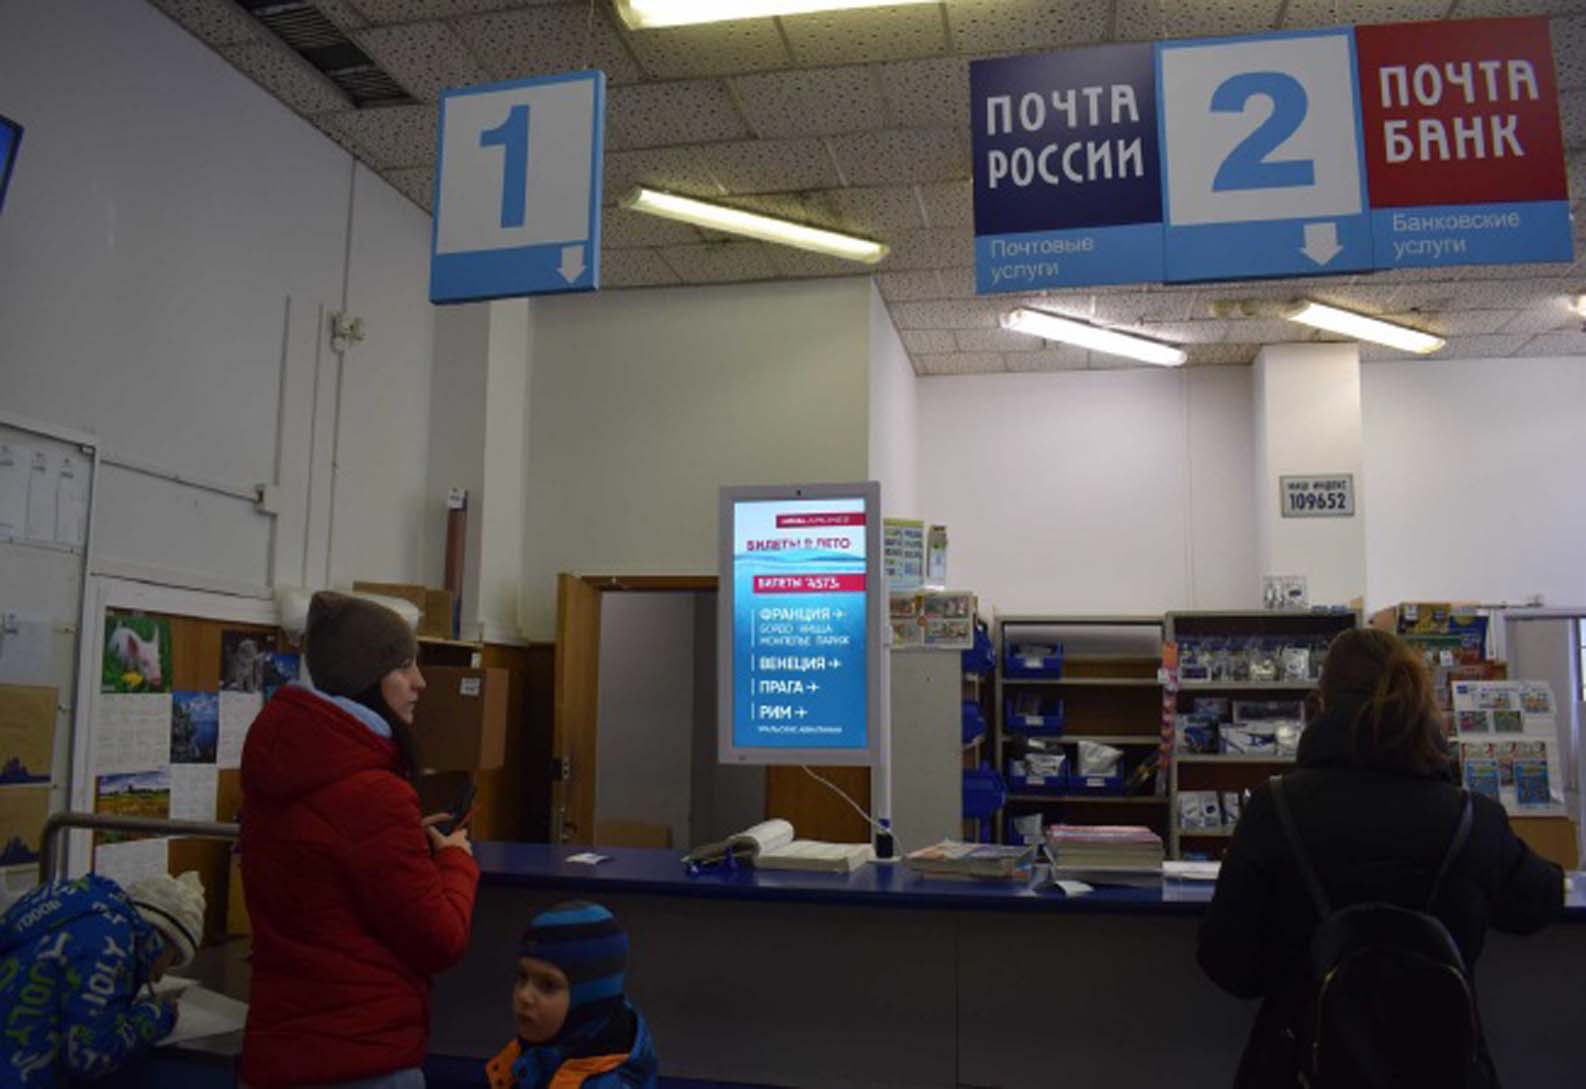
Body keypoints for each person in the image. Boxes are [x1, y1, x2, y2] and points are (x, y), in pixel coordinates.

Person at [1198, 627, 1563, 1088]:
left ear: (1319, 706)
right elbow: (1540, 902)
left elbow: (1228, 963)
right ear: (1420, 710)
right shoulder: (1472, 818)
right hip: (1440, 1067)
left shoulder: (1277, 808)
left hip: (1302, 1065)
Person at [240, 592, 479, 1089]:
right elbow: (440, 940)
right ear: (365, 679)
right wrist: (456, 861)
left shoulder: (279, 762)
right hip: (360, 1059)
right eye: (404, 667)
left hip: (277, 1054)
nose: (420, 682)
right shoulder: (374, 795)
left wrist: (399, 839)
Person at [0, 870, 206, 1088]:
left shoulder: (74, 902)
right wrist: (157, 1016)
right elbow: (90, 1055)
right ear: (162, 936)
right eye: (171, 959)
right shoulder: (112, 943)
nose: (159, 976)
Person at [485, 902, 658, 1089]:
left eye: (548, 985)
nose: (524, 996)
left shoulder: (609, 1083)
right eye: (522, 977)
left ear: (588, 1002)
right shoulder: (535, 1054)